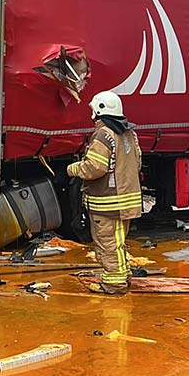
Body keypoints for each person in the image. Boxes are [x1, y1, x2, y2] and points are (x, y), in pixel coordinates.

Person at [66, 91, 142, 295]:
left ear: (99, 111)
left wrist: (72, 169)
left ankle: (114, 284)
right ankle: (123, 276)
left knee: (107, 244)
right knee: (118, 243)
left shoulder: (103, 134)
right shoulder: (129, 133)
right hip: (127, 201)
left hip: (106, 203)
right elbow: (138, 162)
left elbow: (94, 168)